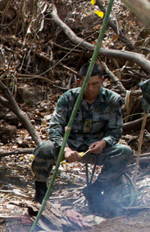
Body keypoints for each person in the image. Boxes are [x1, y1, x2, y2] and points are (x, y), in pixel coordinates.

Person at [32, 63, 133, 205]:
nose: (90, 88)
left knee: (124, 151)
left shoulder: (112, 100)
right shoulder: (68, 98)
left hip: (94, 147)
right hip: (69, 144)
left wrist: (103, 143)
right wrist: (65, 148)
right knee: (44, 149)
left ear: (102, 80)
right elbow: (55, 127)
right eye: (86, 84)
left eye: (95, 84)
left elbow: (115, 131)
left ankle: (96, 189)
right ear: (79, 82)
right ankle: (40, 195)